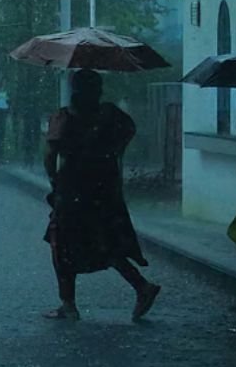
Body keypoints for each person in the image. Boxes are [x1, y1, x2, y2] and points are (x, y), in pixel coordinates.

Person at [42, 69, 161, 321]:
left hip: (73, 186)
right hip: (103, 186)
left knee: (61, 242)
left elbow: (51, 154)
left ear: (74, 88)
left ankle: (69, 303)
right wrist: (111, 152)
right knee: (104, 240)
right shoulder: (109, 115)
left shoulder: (65, 117)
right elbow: (129, 131)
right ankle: (141, 285)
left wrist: (54, 181)